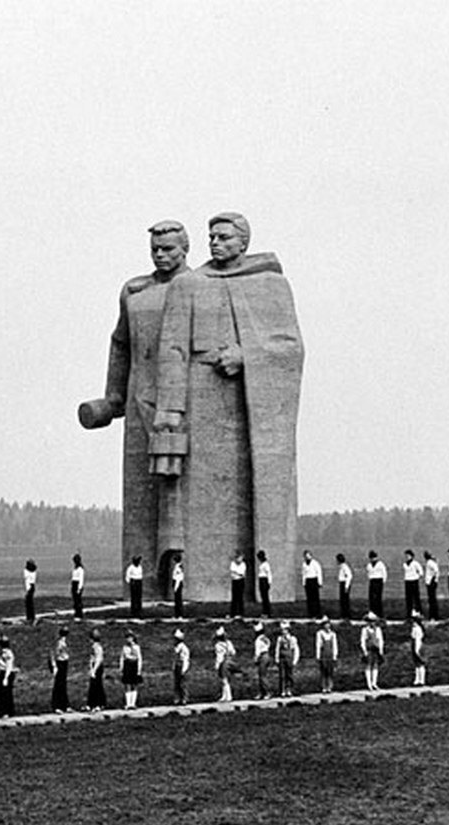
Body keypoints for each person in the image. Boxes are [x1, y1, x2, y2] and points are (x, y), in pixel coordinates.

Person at [143, 213, 305, 604]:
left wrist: (247, 355)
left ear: (243, 242)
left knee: (253, 493)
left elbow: (291, 348)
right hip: (200, 401)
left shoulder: (271, 285)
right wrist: (170, 411)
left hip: (252, 410)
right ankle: (201, 587)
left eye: (224, 237)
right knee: (199, 499)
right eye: (211, 237)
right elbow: (172, 349)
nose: (215, 243)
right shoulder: (188, 285)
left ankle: (262, 589)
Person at [79, 219, 192, 584]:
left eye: (168, 249)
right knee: (141, 490)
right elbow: (120, 344)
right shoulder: (134, 290)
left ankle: (180, 576)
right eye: (155, 249)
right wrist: (113, 394)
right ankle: (142, 580)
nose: (160, 255)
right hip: (138, 396)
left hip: (182, 403)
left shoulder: (199, 287)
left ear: (185, 249)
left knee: (177, 492)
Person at [49, 626, 71, 713]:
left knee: (63, 684)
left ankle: (65, 704)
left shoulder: (63, 642)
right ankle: (57, 705)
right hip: (60, 663)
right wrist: (54, 666)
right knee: (59, 684)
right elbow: (54, 655)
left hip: (64, 663)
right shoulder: (59, 643)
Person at [359, 614, 384, 691]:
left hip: (376, 649)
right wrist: (364, 650)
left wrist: (381, 649)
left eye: (373, 621)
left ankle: (374, 683)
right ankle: (369, 684)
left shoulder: (378, 629)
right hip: (369, 649)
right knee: (368, 665)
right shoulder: (365, 630)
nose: (372, 623)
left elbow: (380, 640)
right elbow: (363, 640)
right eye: (370, 621)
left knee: (375, 665)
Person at [119, 630, 143, 709]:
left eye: (130, 637)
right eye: (127, 638)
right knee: (127, 685)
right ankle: (128, 703)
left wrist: (139, 669)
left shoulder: (136, 647)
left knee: (134, 685)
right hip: (127, 666)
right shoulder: (124, 647)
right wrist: (121, 667)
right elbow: (122, 657)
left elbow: (139, 658)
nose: (128, 639)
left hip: (134, 665)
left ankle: (133, 703)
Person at [275, 621, 300, 697]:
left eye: (285, 630)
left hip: (289, 657)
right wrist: (277, 658)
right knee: (282, 675)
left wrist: (295, 660)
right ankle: (282, 690)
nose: (283, 632)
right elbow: (277, 649)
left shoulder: (292, 639)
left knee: (289, 674)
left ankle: (289, 690)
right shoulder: (280, 639)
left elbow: (296, 649)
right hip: (282, 658)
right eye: (282, 630)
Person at [0, 635, 18, 718]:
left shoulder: (8, 653)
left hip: (7, 673)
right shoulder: (2, 653)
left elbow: (9, 666)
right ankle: (1, 711)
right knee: (1, 693)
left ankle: (7, 711)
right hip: (3, 672)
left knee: (6, 693)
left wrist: (6, 678)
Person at [315, 616, 338, 693]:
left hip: (330, 653)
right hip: (323, 654)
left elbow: (334, 645)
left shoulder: (332, 634)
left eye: (328, 624)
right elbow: (318, 644)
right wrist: (318, 655)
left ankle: (330, 686)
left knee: (330, 670)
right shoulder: (320, 633)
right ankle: (324, 686)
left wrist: (335, 655)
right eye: (325, 624)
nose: (327, 626)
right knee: (324, 670)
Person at [214, 627, 237, 702]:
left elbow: (219, 656)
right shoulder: (229, 643)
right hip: (230, 661)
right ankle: (224, 696)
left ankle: (228, 696)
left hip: (223, 662)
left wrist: (217, 665)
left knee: (224, 679)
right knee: (227, 679)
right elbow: (233, 652)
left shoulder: (218, 645)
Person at [86, 628, 107, 711]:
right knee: (93, 685)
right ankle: (92, 703)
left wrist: (94, 670)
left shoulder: (98, 648)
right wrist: (91, 668)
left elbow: (99, 659)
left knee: (97, 685)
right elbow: (91, 658)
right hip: (94, 666)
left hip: (97, 667)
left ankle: (98, 703)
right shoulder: (93, 647)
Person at [252, 622, 273, 700]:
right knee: (263, 674)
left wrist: (256, 658)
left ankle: (267, 692)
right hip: (267, 655)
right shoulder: (266, 638)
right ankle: (262, 692)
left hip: (262, 656)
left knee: (262, 675)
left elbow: (257, 651)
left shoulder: (258, 640)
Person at [302, 551, 323, 619]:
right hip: (308, 581)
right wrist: (304, 582)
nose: (307, 557)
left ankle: (317, 613)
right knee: (309, 598)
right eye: (306, 556)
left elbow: (319, 572)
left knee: (315, 597)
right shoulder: (304, 564)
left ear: (311, 556)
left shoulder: (315, 563)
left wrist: (320, 582)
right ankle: (311, 613)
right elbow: (304, 573)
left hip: (314, 580)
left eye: (308, 556)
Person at [403, 550, 424, 619]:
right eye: (406, 556)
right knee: (408, 598)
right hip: (407, 581)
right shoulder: (404, 564)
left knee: (416, 597)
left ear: (412, 556)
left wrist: (416, 577)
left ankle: (419, 611)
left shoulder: (415, 563)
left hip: (414, 581)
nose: (407, 557)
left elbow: (421, 572)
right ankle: (409, 613)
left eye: (408, 556)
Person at [172, 629, 191, 706]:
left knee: (182, 683)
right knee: (177, 683)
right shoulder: (177, 647)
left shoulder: (183, 648)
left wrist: (184, 669)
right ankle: (177, 698)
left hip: (182, 665)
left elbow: (185, 659)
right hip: (177, 665)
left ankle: (184, 698)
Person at [365, 551, 387, 620]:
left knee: (378, 597)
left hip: (378, 580)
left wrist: (383, 581)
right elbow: (368, 573)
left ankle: (379, 613)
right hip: (372, 581)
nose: (373, 559)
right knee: (371, 597)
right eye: (371, 558)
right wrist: (370, 578)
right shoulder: (369, 565)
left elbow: (384, 572)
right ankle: (372, 612)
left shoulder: (380, 564)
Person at [409, 611, 427, 686]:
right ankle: (417, 679)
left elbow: (417, 639)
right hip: (414, 645)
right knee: (416, 664)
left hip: (418, 646)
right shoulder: (414, 628)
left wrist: (417, 650)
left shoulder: (417, 629)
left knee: (420, 663)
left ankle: (421, 680)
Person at [423, 550, 441, 621]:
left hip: (431, 582)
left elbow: (436, 571)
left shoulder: (430, 563)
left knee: (432, 599)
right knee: (432, 599)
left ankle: (433, 615)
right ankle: (433, 615)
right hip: (430, 582)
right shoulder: (430, 562)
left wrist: (434, 579)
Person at [335, 553, 353, 621]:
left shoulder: (344, 567)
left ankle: (346, 615)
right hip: (343, 583)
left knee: (345, 601)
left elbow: (349, 576)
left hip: (344, 584)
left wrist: (346, 586)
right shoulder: (342, 567)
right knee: (342, 600)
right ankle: (343, 614)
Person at [256, 551, 273, 618]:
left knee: (265, 597)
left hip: (264, 580)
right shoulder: (262, 564)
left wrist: (269, 582)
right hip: (261, 579)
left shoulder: (266, 564)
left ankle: (267, 612)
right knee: (263, 597)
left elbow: (269, 573)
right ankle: (264, 611)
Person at [70, 553, 86, 619]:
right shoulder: (75, 568)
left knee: (78, 600)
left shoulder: (80, 569)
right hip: (74, 584)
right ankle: (76, 613)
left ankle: (79, 614)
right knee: (75, 600)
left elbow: (81, 579)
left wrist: (79, 588)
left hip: (77, 585)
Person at [170, 554, 185, 619]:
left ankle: (179, 614)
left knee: (178, 600)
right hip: (178, 583)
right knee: (177, 600)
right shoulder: (178, 566)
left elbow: (178, 578)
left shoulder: (178, 567)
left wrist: (176, 586)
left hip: (177, 583)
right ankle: (177, 614)